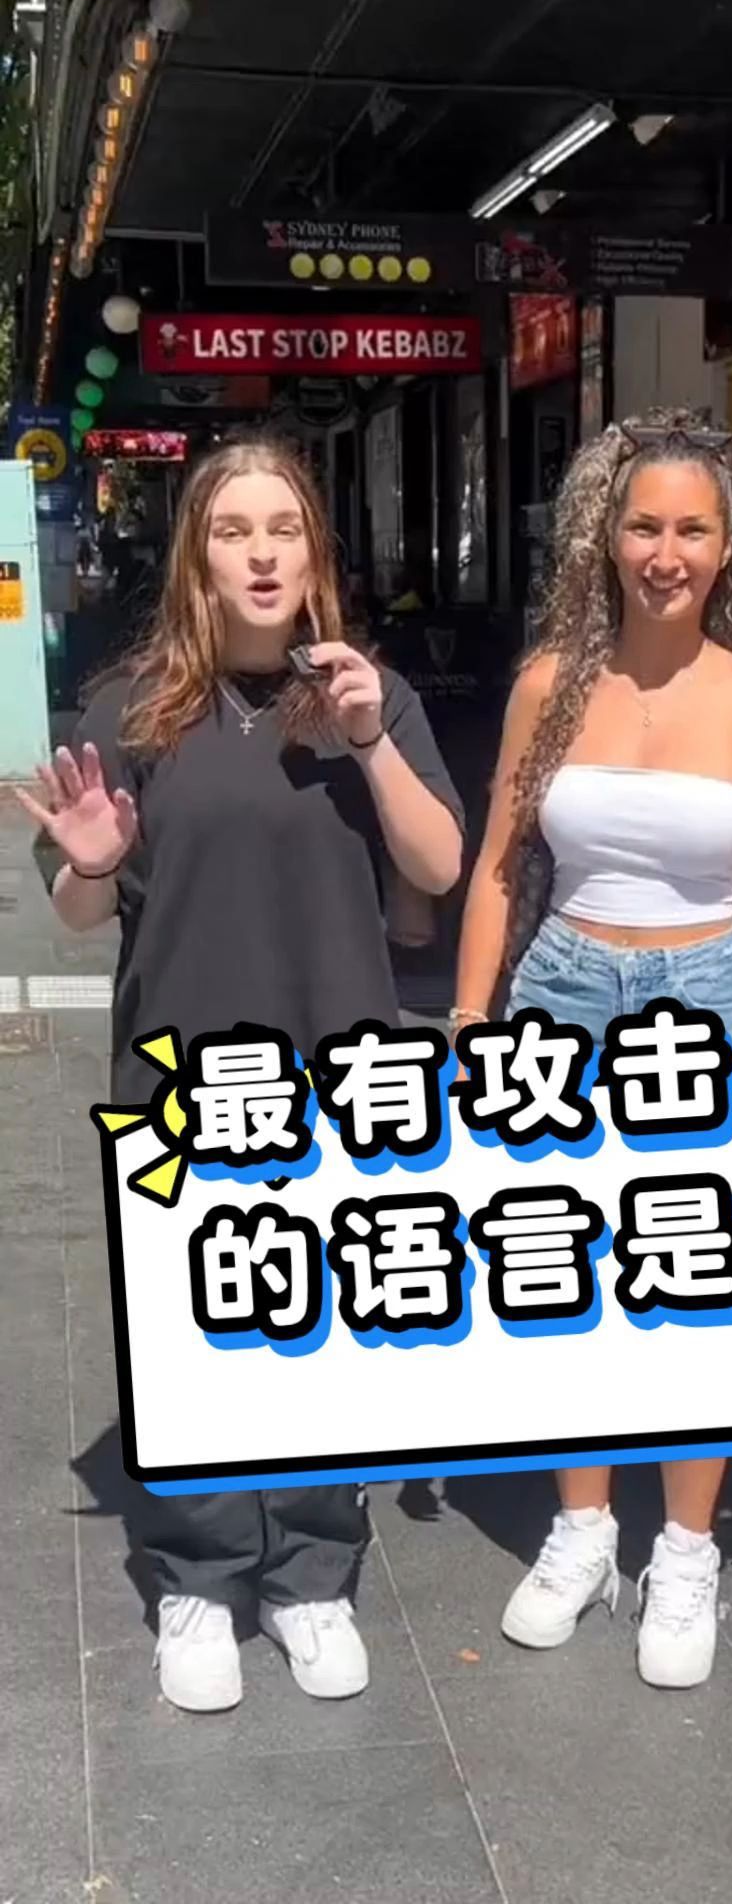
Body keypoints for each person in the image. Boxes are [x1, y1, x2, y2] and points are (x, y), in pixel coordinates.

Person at [18, 434, 464, 1716]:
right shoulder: (131, 706)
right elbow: (79, 915)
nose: (261, 555)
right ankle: (200, 1576)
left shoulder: (371, 696)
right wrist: (91, 861)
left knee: (326, 1320)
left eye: (284, 530)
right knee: (193, 1326)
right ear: (197, 558)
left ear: (315, 553)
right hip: (181, 1067)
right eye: (233, 531)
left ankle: (313, 1568)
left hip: (338, 1066)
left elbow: (438, 867)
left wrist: (370, 743)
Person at [453, 409, 732, 1690]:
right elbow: (500, 869)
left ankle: (683, 1550)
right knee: (566, 1270)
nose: (666, 552)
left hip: (710, 999)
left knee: (690, 1278)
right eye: (644, 526)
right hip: (560, 990)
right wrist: (470, 1021)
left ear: (729, 548)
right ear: (604, 540)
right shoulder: (548, 684)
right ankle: (580, 1529)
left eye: (693, 530)